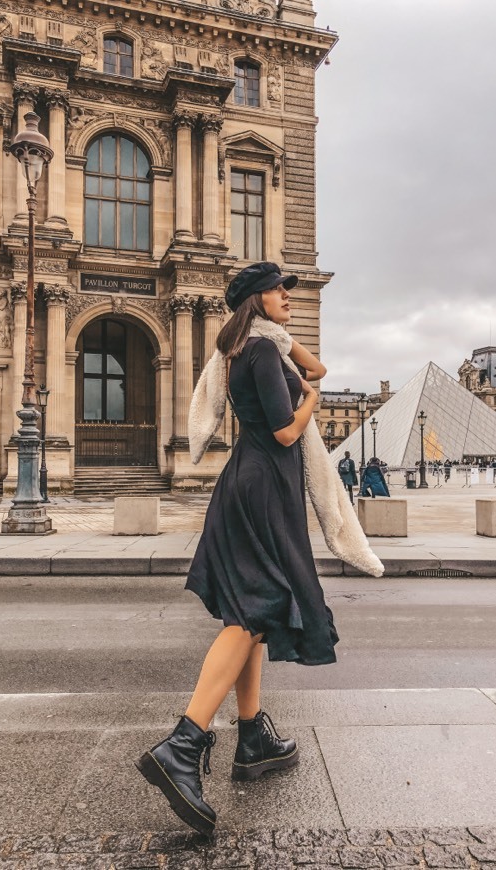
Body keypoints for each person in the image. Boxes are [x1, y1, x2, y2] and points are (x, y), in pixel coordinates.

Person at [134, 262, 345, 836]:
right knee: (258, 609)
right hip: (264, 486)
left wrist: (285, 338)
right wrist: (311, 407)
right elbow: (285, 431)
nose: (288, 298)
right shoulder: (258, 354)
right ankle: (184, 743)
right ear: (255, 298)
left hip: (248, 483)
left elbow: (320, 366)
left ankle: (251, 737)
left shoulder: (248, 348)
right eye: (279, 291)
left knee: (252, 610)